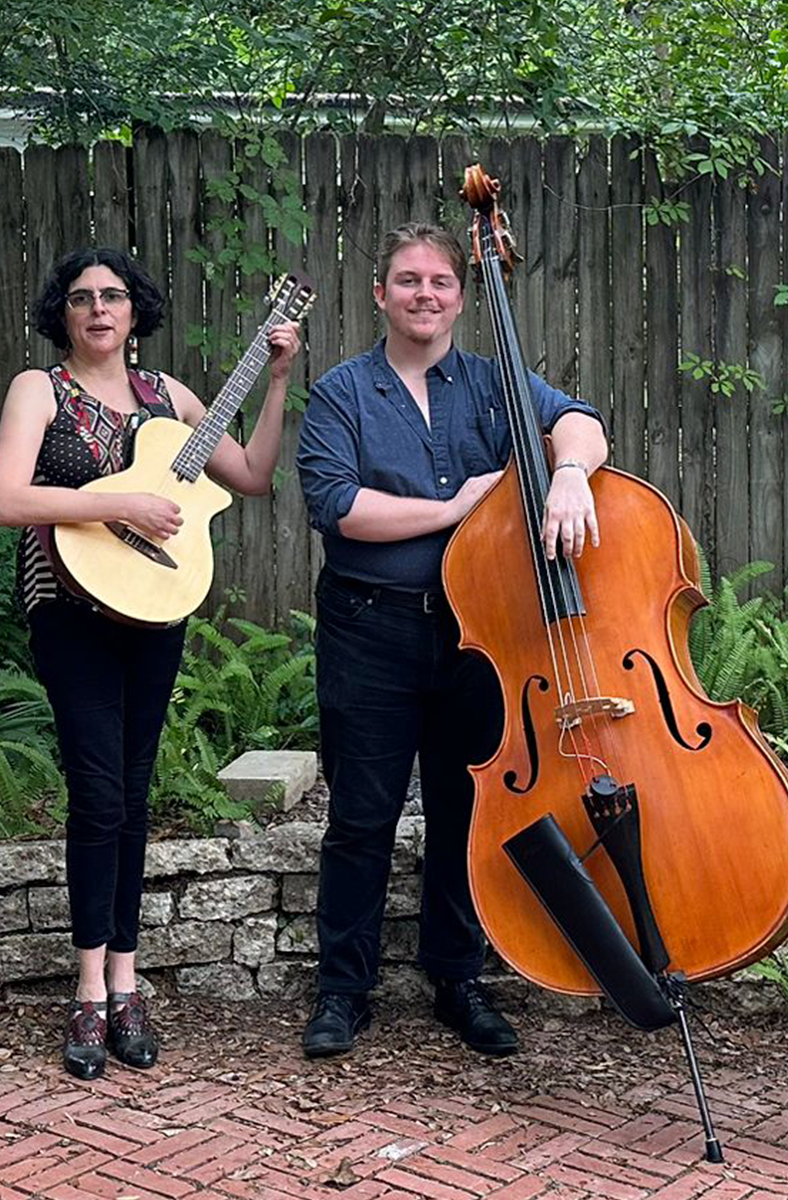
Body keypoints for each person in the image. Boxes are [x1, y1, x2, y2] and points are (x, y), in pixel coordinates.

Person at [295, 222, 607, 1059]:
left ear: (461, 297)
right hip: (370, 629)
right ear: (380, 294)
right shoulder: (341, 392)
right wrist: (454, 508)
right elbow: (338, 506)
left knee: (466, 814)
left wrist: (569, 470)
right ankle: (343, 991)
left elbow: (580, 419)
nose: (423, 294)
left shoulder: (496, 382)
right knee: (361, 818)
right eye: (407, 281)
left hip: (482, 637)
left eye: (439, 281)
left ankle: (458, 979)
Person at [0, 247, 299, 1079]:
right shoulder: (38, 391)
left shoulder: (171, 400)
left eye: (113, 296)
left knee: (132, 790)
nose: (97, 309)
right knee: (95, 792)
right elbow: (5, 499)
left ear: (134, 311)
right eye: (82, 297)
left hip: (155, 608)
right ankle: (89, 988)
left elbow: (255, 475)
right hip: (70, 611)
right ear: (64, 312)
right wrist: (120, 500)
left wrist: (273, 381)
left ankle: (129, 980)